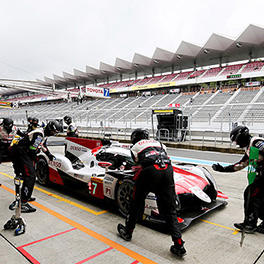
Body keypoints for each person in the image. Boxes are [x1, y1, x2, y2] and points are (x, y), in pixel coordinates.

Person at [117, 128, 186, 257]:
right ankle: (179, 244)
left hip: (150, 171)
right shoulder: (159, 143)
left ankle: (128, 231)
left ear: (135, 138)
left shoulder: (135, 146)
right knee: (170, 210)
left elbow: (137, 164)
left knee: (136, 203)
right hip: (167, 170)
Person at [212, 126, 264, 234]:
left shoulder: (257, 143)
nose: (236, 144)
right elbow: (240, 165)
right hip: (259, 177)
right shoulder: (250, 147)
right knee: (257, 197)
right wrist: (222, 169)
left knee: (251, 195)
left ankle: (250, 224)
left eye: (236, 140)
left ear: (241, 137)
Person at [9, 120, 62, 213]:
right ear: (50, 129)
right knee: (30, 176)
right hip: (21, 153)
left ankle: (25, 196)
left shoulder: (42, 134)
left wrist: (49, 155)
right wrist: (36, 159)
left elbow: (42, 145)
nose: (54, 134)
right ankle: (23, 203)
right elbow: (32, 149)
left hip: (24, 153)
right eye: (54, 132)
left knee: (28, 176)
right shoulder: (39, 134)